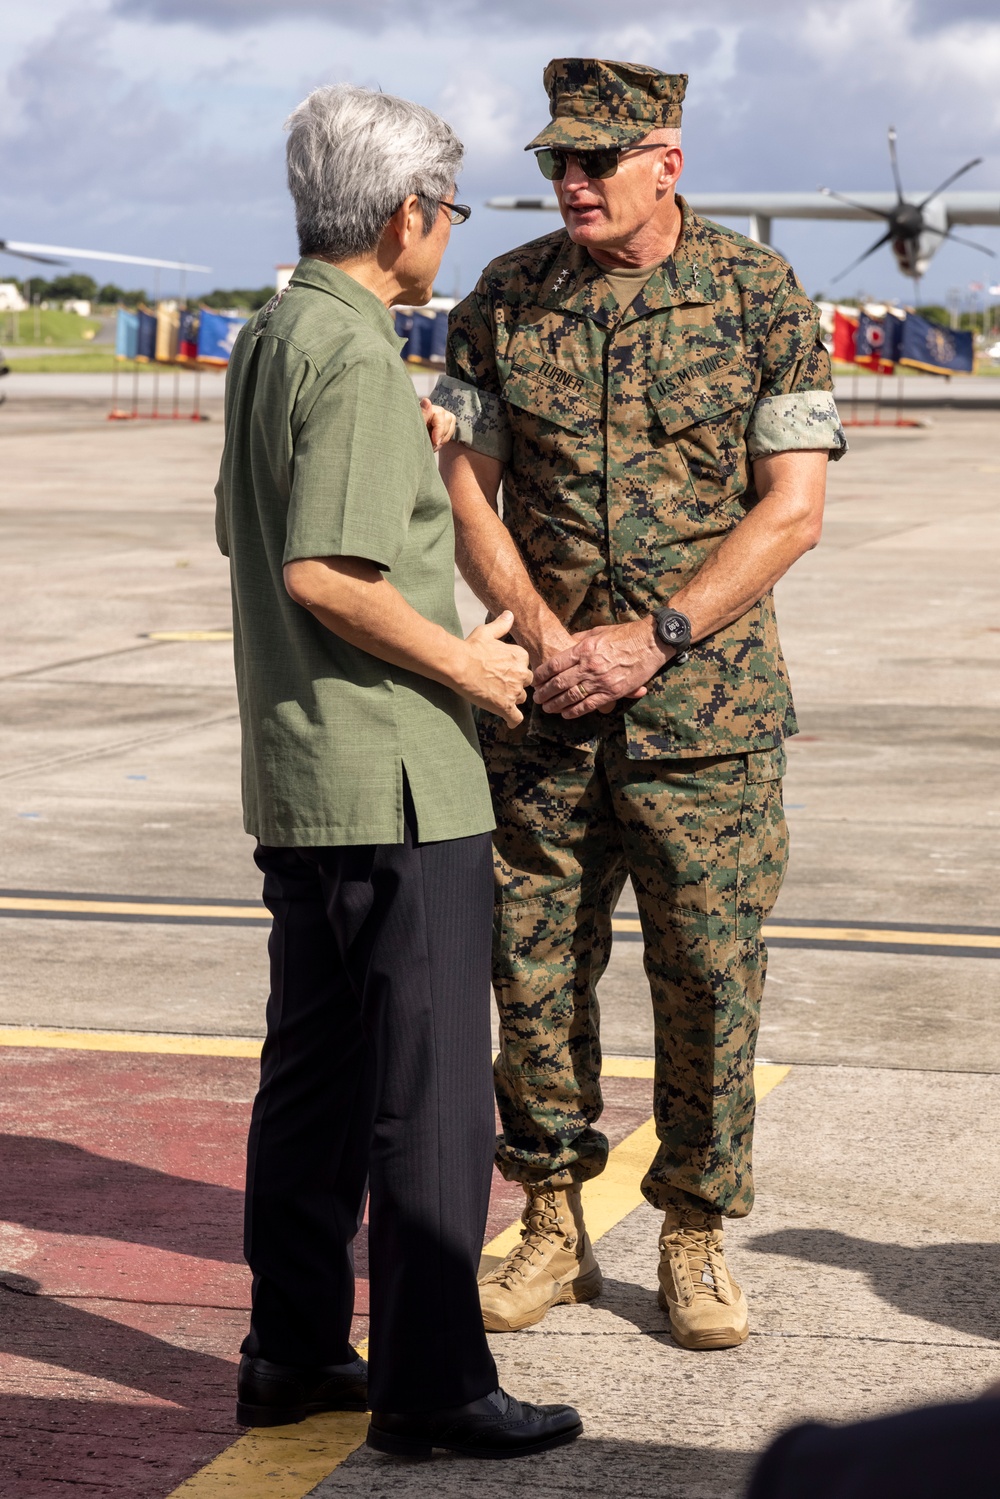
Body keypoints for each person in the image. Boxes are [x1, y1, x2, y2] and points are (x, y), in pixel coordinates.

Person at [432, 58, 847, 1351]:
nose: (570, 181)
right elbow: (465, 487)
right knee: (534, 969)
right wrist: (553, 639)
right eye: (556, 160)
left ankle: (694, 1229)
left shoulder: (758, 292)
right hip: (543, 711)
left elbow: (795, 506)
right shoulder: (506, 298)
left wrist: (653, 638)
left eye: (596, 161)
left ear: (667, 160)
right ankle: (552, 1220)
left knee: (711, 977)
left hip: (703, 719)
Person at [214, 83, 582, 1460]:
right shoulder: (360, 352)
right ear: (405, 215)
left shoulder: (275, 334)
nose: (450, 231)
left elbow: (256, 533)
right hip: (399, 780)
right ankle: (433, 1382)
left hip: (304, 774)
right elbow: (324, 572)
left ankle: (293, 1348)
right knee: (428, 1094)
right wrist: (472, 667)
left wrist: (412, 465)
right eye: (450, 207)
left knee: (309, 1075)